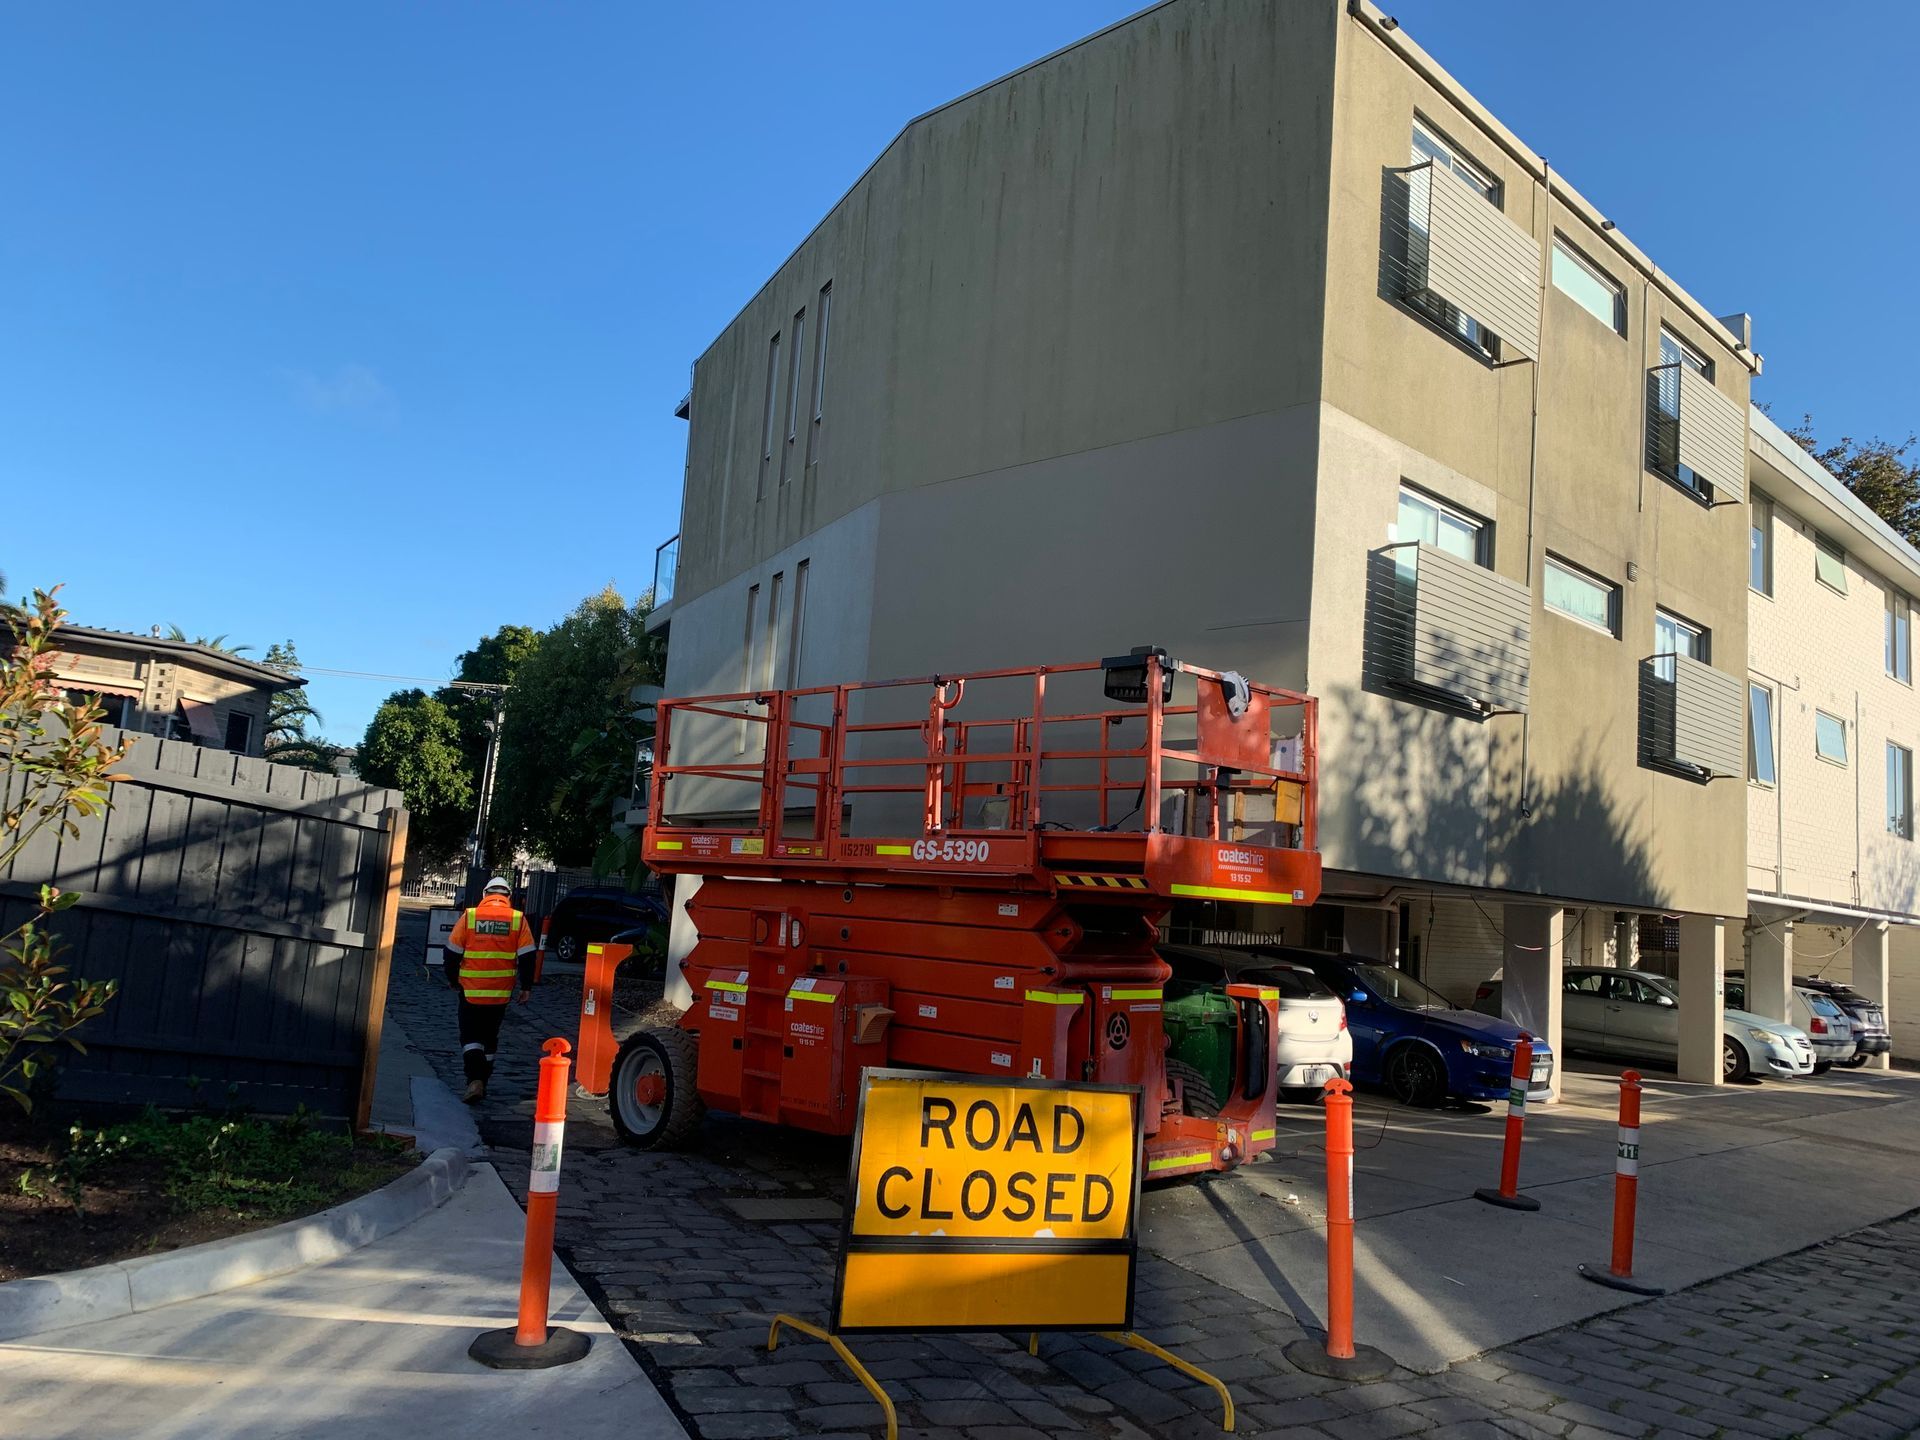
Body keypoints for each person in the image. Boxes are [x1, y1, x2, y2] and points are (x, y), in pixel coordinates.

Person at [443, 876, 537, 1103]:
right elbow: (527, 956)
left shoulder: (471, 916)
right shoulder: (517, 919)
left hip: (471, 990)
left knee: (470, 1036)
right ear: (508, 897)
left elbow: (451, 952)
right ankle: (483, 1079)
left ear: (485, 895)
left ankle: (474, 1079)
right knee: (490, 1037)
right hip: (500, 992)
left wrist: (453, 979)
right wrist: (526, 987)